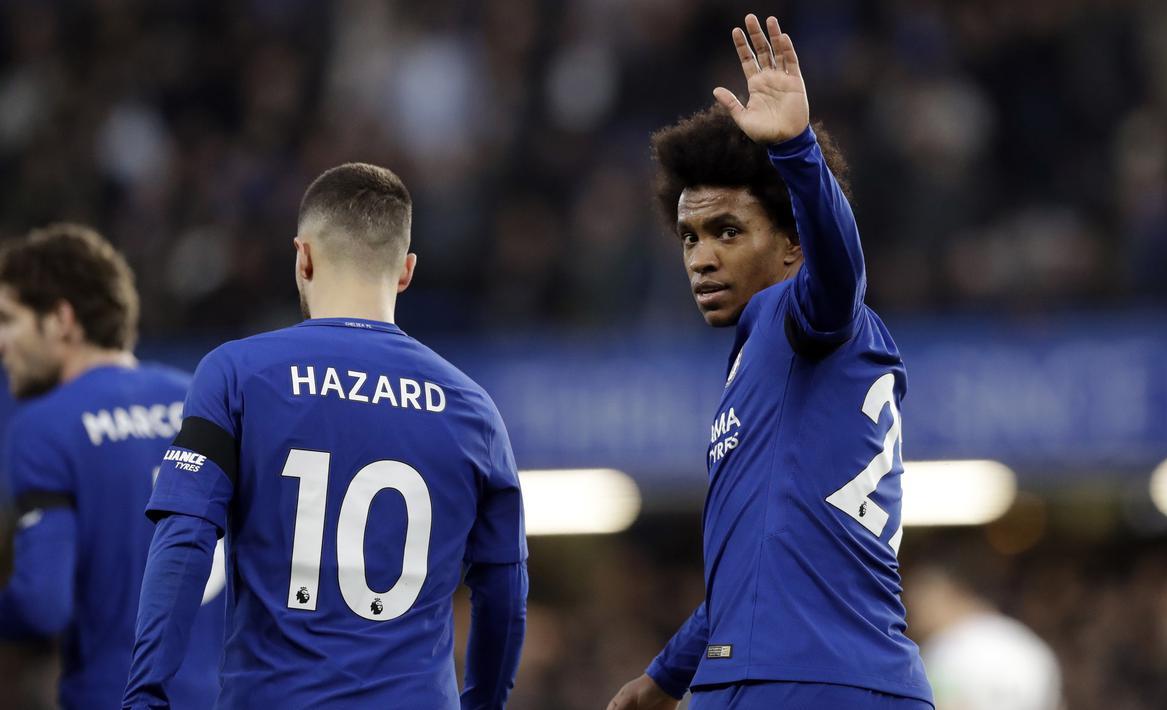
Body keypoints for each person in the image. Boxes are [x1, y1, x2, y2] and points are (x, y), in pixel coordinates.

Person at [607, 14, 933, 710]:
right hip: (841, 676)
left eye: (728, 231)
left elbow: (840, 272)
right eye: (690, 236)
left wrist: (794, 152)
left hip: (792, 684)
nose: (700, 257)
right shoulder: (766, 361)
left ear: (793, 246)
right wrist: (666, 675)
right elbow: (759, 572)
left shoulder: (807, 317)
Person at [123, 163, 528, 709]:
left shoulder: (237, 374)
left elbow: (184, 540)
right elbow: (504, 592)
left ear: (303, 257)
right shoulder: (474, 411)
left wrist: (145, 695)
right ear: (405, 271)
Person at [0, 224, 224, 709]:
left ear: (61, 319)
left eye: (8, 319)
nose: (1, 343)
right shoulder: (208, 403)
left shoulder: (44, 427)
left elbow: (42, 604)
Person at [906, 564, 1063, 710]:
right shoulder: (1027, 643)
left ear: (951, 595)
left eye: (919, 607)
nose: (914, 620)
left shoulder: (946, 648)